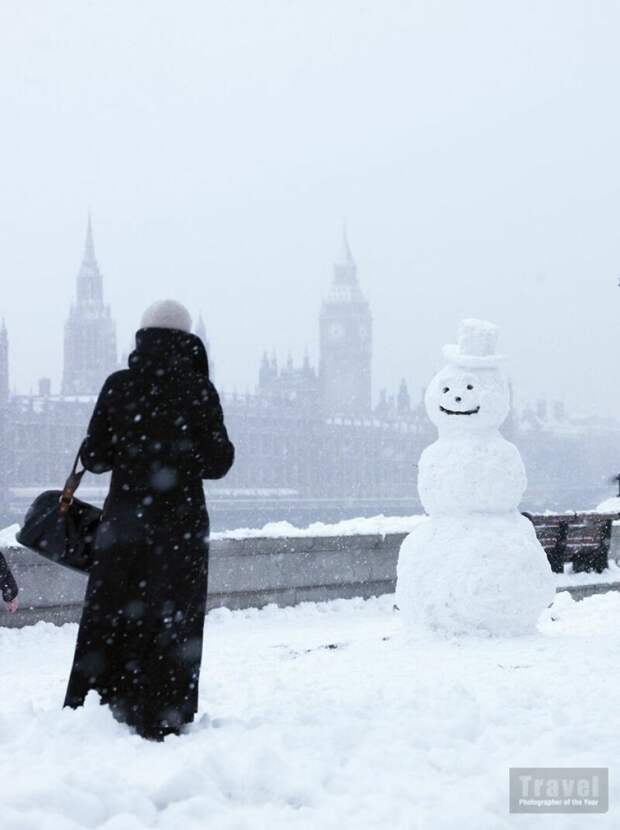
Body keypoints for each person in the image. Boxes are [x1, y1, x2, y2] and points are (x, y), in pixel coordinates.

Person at [64, 300, 234, 740]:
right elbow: (219, 462)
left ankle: (101, 704)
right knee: (173, 619)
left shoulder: (118, 386)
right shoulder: (198, 389)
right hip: (181, 526)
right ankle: (164, 710)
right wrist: (177, 454)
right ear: (187, 338)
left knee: (113, 613)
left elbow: (96, 457)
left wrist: (134, 449)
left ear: (142, 336)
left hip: (125, 523)